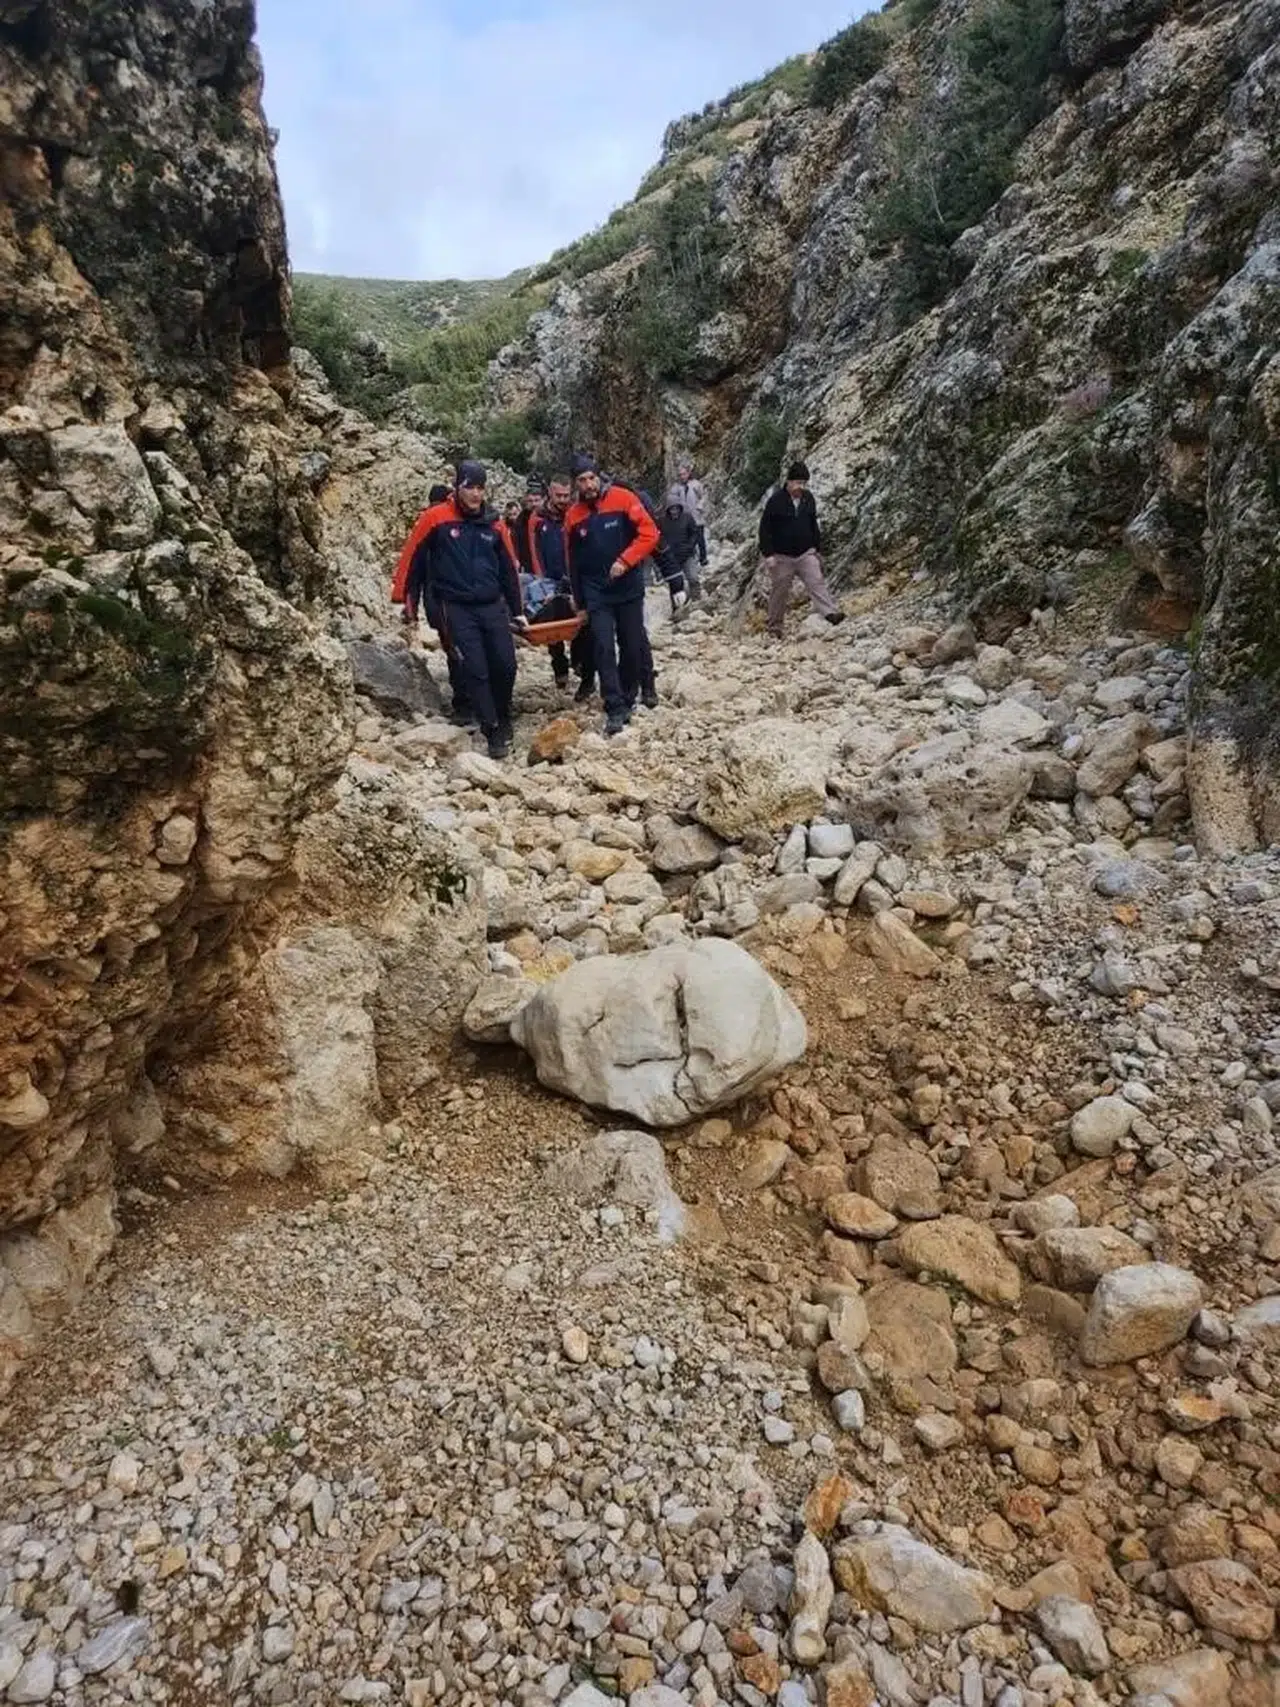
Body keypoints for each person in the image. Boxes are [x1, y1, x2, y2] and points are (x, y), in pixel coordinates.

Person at [404, 460, 526, 759]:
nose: (475, 494)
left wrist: (518, 609)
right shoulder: (435, 518)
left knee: (506, 664)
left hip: (491, 604)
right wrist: (407, 601)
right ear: (457, 487)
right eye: (469, 487)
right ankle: (492, 728)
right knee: (475, 668)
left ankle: (503, 711)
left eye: (480, 488)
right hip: (455, 606)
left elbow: (509, 569)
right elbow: (412, 561)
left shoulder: (495, 523)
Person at [564, 454, 659, 736]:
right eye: (582, 480)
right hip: (597, 592)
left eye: (591, 477)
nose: (588, 484)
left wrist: (626, 560)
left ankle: (629, 696)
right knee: (603, 648)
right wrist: (579, 601)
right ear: (576, 484)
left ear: (599, 476)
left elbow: (650, 533)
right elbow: (573, 562)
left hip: (628, 587)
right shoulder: (573, 516)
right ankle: (614, 706)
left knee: (631, 646)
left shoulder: (623, 498)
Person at [392, 482, 475, 724]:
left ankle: (466, 701)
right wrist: (410, 606)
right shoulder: (437, 528)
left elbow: (412, 574)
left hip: (439, 600)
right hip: (441, 600)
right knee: (458, 648)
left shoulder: (434, 527)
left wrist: (411, 608)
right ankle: (464, 702)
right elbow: (413, 573)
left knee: (456, 648)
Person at [759, 460, 845, 638]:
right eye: (798, 483)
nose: (801, 487)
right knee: (779, 591)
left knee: (817, 581)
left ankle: (830, 614)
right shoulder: (776, 501)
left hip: (806, 552)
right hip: (782, 556)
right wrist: (768, 554)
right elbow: (764, 529)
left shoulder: (808, 498)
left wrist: (817, 549)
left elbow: (813, 524)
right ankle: (774, 626)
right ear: (789, 481)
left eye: (804, 483)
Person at [527, 476, 594, 697]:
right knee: (553, 623)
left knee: (582, 622)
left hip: (575, 576)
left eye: (567, 495)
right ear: (550, 493)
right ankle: (559, 665)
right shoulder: (538, 518)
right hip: (550, 577)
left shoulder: (575, 513)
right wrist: (541, 582)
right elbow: (534, 550)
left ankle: (582, 665)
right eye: (559, 496)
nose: (563, 500)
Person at [666, 458, 709, 568]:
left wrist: (700, 505)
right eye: (680, 475)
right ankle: (690, 558)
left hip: (696, 516)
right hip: (684, 519)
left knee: (700, 538)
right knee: (688, 538)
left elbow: (703, 496)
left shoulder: (696, 484)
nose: (682, 477)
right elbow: (671, 499)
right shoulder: (676, 487)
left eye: (684, 474)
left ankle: (703, 559)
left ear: (688, 474)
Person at [660, 498, 701, 602]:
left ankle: (697, 601)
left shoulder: (687, 518)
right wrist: (664, 550)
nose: (674, 511)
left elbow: (695, 533)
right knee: (675, 583)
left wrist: (690, 546)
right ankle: (677, 608)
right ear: (668, 510)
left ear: (680, 508)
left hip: (687, 554)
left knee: (693, 578)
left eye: (676, 508)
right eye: (672, 509)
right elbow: (659, 537)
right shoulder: (662, 521)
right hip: (672, 557)